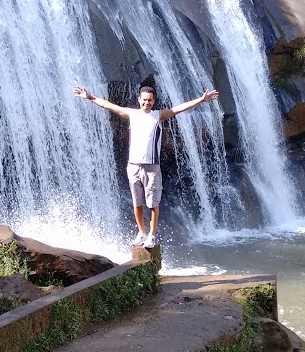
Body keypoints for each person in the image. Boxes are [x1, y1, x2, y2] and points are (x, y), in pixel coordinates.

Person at [74, 83, 219, 247]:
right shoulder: (132, 114)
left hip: (151, 167)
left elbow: (180, 108)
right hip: (133, 165)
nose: (146, 103)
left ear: (154, 101)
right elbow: (109, 105)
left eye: (149, 100)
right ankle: (141, 233)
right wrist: (90, 97)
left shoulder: (158, 115)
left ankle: (152, 235)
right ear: (139, 100)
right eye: (144, 100)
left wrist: (201, 99)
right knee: (137, 203)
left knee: (152, 203)